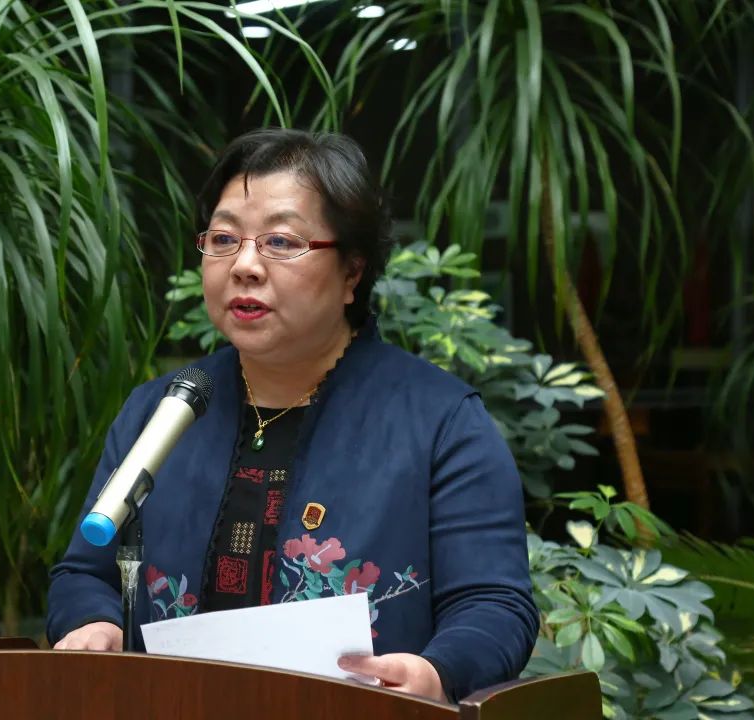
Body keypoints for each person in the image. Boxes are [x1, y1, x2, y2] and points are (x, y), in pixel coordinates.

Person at [47, 128, 538, 702]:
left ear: (352, 272)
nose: (245, 265)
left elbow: (494, 605)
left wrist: (436, 672)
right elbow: (85, 574)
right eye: (223, 239)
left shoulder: (442, 423)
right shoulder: (163, 413)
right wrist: (95, 624)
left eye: (280, 242)